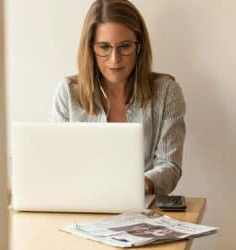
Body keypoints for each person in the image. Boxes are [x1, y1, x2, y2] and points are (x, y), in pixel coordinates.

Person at [50, 0, 186, 196]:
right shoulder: (67, 93)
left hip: (142, 210)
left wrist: (135, 187)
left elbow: (169, 165)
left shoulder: (166, 92)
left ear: (139, 47)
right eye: (104, 47)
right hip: (80, 206)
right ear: (90, 48)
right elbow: (56, 164)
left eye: (125, 46)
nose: (115, 59)